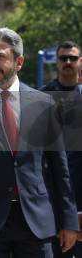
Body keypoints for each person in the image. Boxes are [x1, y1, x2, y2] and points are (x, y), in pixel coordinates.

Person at [0, 28, 79, 258]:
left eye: (0, 56)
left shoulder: (44, 104)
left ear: (18, 62)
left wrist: (68, 221)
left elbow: (60, 169)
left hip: (36, 223)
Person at [41, 40, 82, 258]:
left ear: (80, 61)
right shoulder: (42, 98)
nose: (68, 62)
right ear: (56, 62)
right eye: (63, 58)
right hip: (55, 199)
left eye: (72, 58)